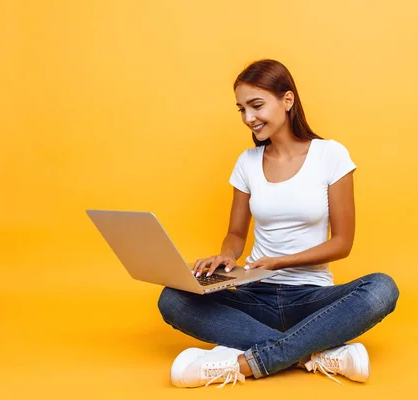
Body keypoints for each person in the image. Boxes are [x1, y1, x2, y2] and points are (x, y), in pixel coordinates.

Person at [158, 59, 399, 388]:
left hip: (312, 300)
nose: (248, 118)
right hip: (254, 295)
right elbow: (235, 233)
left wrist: (280, 262)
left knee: (382, 288)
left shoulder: (331, 155)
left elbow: (342, 243)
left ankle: (249, 362)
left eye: (256, 106)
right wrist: (227, 257)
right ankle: (312, 354)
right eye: (241, 109)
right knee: (172, 298)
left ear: (287, 101)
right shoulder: (247, 162)